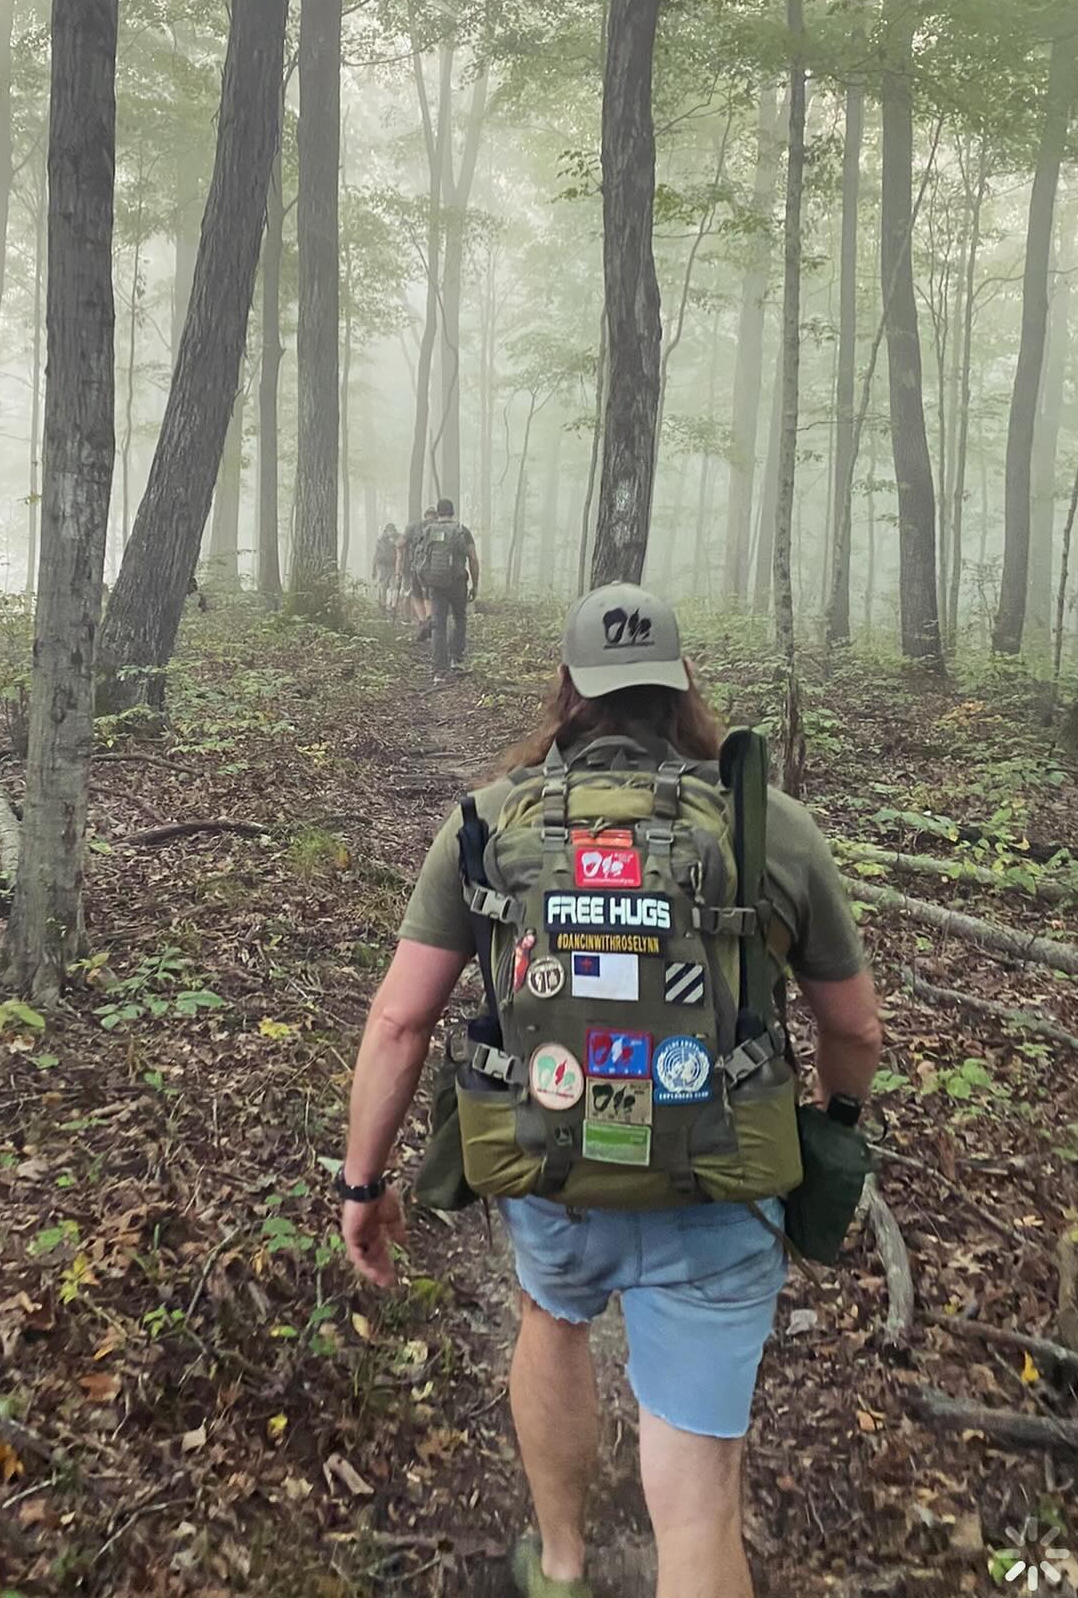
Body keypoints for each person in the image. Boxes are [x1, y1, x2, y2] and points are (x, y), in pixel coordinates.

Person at [336, 583, 882, 1598]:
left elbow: (399, 1021)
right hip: (718, 1184)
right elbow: (854, 1025)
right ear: (681, 684)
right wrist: (836, 1120)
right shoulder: (769, 826)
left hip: (551, 1160)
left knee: (552, 1316)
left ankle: (560, 1562)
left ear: (569, 690)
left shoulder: (488, 823)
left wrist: (365, 1186)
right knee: (700, 1497)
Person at [415, 497, 478, 678]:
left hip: (435, 584)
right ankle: (456, 659)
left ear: (438, 512)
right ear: (452, 512)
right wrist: (475, 584)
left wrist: (423, 582)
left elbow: (419, 558)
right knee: (459, 618)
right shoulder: (461, 531)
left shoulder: (428, 531)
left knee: (438, 623)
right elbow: (473, 559)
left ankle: (438, 670)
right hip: (458, 582)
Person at [399, 506, 438, 633]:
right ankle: (429, 618)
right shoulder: (440, 527)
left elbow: (400, 544)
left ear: (425, 515)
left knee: (417, 595)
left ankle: (422, 622)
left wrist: (399, 563)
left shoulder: (413, 527)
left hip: (417, 567)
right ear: (436, 516)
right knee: (428, 595)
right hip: (435, 568)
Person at [373, 524, 399, 613]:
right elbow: (376, 555)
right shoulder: (381, 540)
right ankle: (383, 604)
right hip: (383, 565)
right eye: (389, 530)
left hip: (393, 565)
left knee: (393, 586)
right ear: (386, 531)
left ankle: (392, 605)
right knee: (383, 585)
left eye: (392, 530)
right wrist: (374, 568)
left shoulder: (396, 538)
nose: (391, 532)